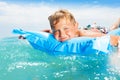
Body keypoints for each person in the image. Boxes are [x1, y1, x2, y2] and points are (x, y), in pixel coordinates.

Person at [46, 9, 120, 46]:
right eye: (56, 31)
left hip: (98, 30)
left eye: (66, 29)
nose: (61, 34)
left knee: (112, 28)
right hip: (84, 27)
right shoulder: (55, 32)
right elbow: (49, 31)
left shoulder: (84, 34)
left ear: (75, 26)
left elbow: (115, 39)